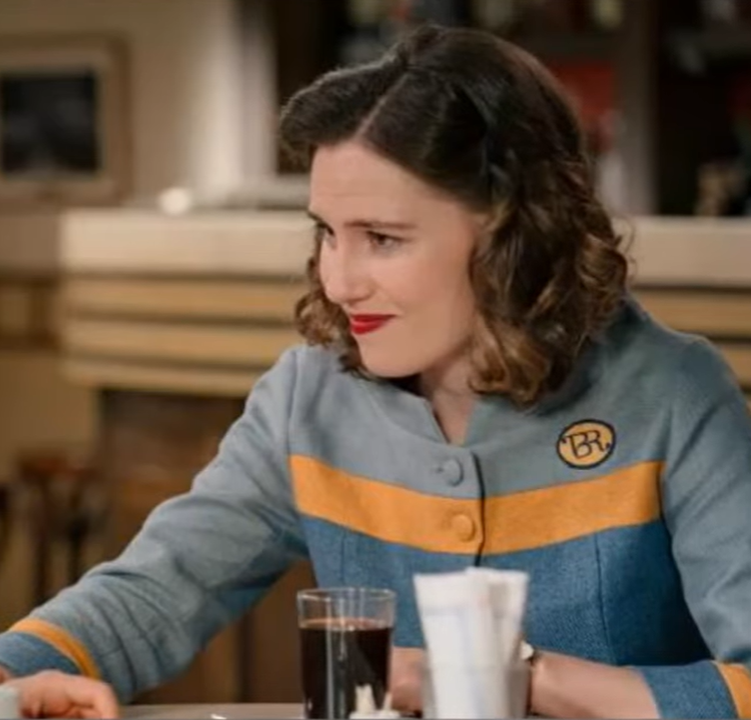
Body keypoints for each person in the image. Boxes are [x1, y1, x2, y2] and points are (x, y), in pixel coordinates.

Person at [0, 23, 750, 719]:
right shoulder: (306, 398)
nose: (338, 281)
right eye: (328, 233)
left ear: (517, 232)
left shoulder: (675, 393)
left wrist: (500, 673)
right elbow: (156, 590)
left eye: (382, 239)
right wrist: (11, 679)